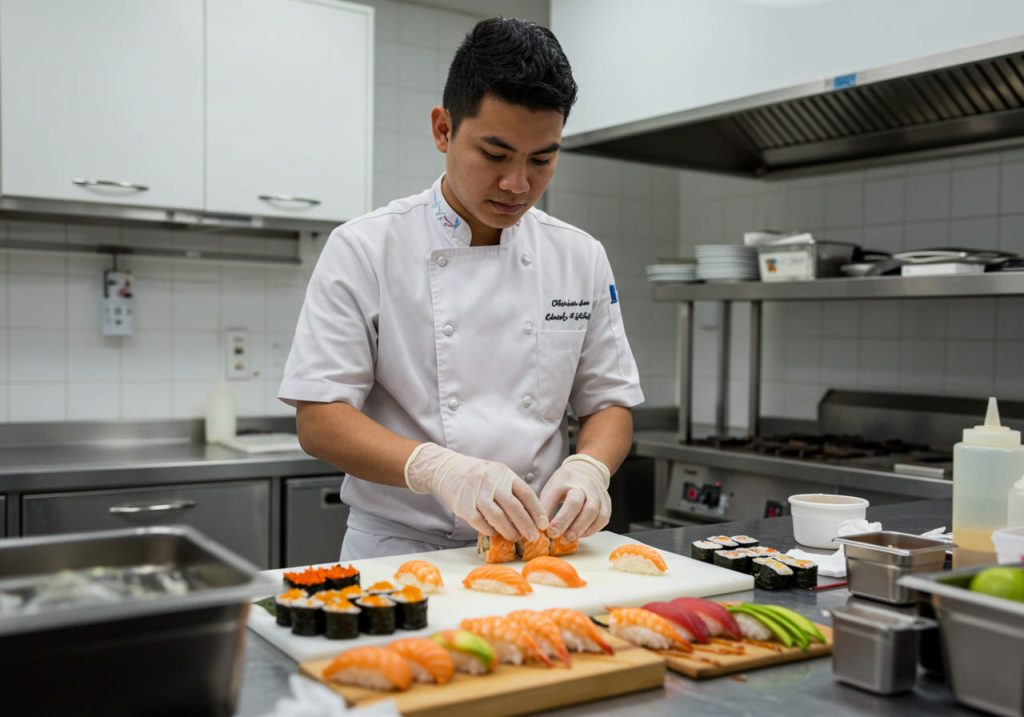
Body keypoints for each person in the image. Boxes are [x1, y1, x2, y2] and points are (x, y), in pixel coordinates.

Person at [279, 17, 644, 560]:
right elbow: (319, 420)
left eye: (542, 159)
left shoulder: (578, 255)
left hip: (536, 549)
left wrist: (589, 467)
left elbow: (609, 404)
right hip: (397, 549)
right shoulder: (365, 247)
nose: (518, 184)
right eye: (495, 155)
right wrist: (438, 469)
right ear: (443, 129)